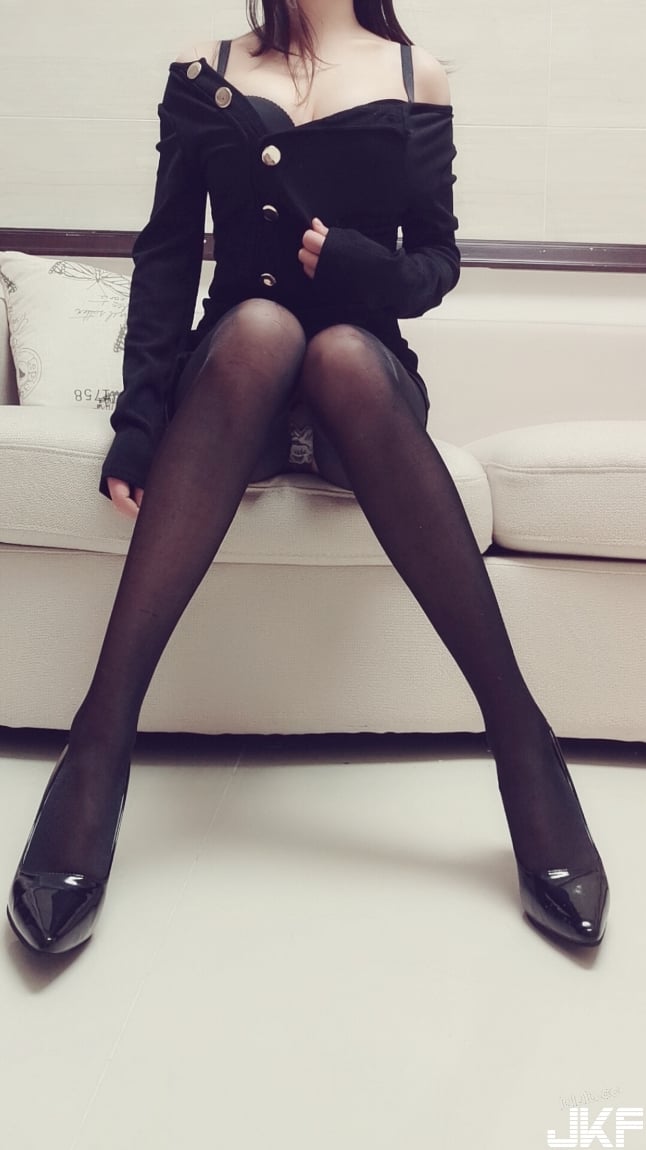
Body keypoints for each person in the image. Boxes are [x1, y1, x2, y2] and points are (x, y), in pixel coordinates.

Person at [7, 0, 608, 955]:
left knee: (341, 353)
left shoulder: (415, 74)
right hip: (233, 390)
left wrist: (364, 265)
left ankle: (523, 743)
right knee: (260, 327)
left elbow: (437, 262)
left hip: (359, 393)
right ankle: (99, 744)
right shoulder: (204, 69)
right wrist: (137, 424)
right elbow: (167, 254)